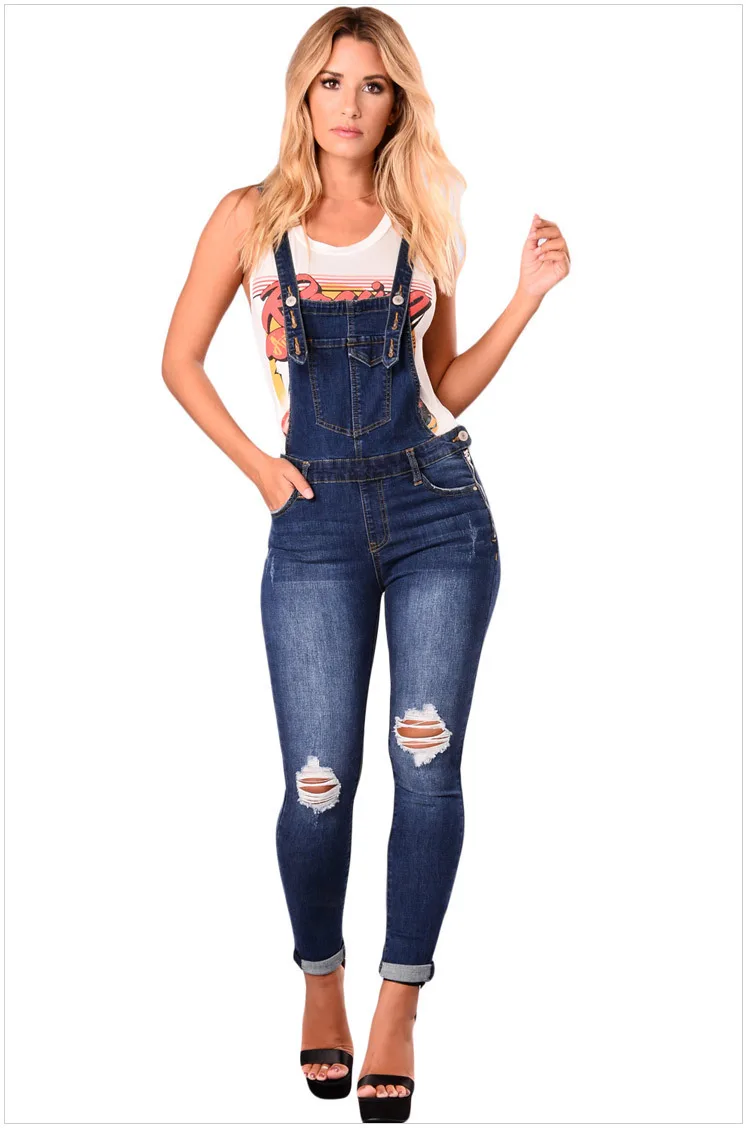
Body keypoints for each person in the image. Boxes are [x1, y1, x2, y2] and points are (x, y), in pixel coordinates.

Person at [162, 7, 570, 1122]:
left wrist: (526, 299)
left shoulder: (423, 216)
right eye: (332, 82)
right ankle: (318, 980)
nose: (350, 104)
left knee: (425, 767)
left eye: (374, 85)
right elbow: (179, 360)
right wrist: (260, 470)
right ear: (303, 94)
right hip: (312, 523)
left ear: (399, 103)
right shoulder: (248, 216)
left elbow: (444, 385)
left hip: (438, 513)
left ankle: (398, 1004)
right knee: (318, 780)